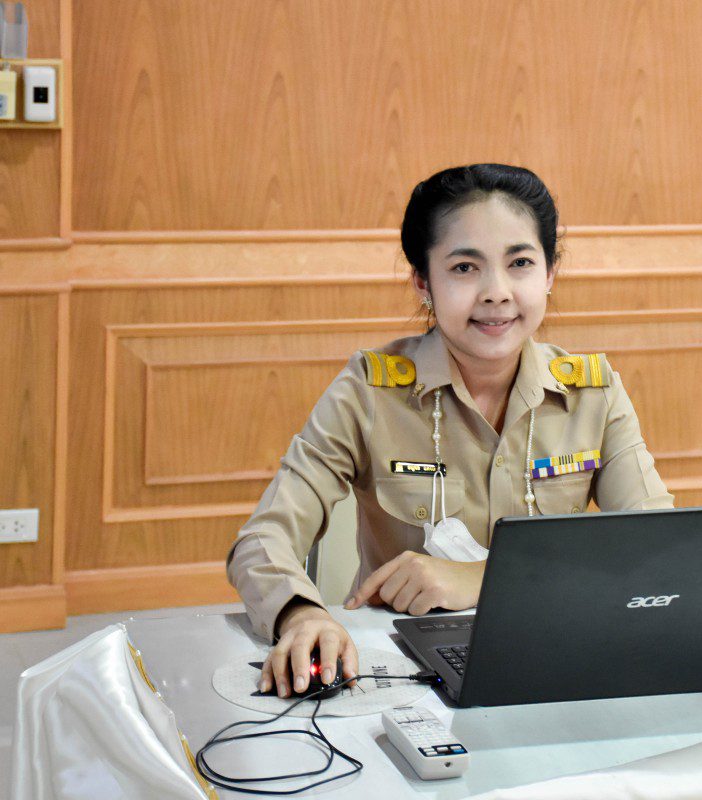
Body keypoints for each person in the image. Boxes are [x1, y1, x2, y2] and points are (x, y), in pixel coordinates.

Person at [226, 164, 674, 698]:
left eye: (520, 263)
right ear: (423, 281)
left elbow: (659, 551)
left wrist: (482, 579)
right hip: (405, 670)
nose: (497, 293)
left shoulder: (592, 394)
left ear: (550, 273)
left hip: (560, 653)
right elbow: (263, 539)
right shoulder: (369, 392)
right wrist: (300, 615)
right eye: (465, 267)